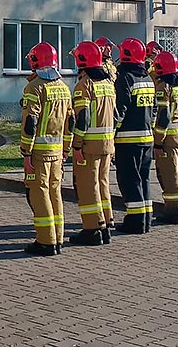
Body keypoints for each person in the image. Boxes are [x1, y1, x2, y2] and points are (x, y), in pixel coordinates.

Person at [20, 42, 73, 256]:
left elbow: (30, 123)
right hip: (58, 151)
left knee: (39, 192)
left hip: (39, 153)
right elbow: (71, 122)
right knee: (54, 192)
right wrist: (67, 149)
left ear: (35, 61)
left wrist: (26, 153)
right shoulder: (63, 87)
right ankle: (58, 238)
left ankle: (45, 241)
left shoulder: (34, 88)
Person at [69, 41, 116, 246]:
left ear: (81, 60)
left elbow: (83, 119)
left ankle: (92, 228)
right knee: (102, 183)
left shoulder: (84, 85)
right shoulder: (107, 83)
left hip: (89, 146)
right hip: (107, 143)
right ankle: (106, 222)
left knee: (88, 187)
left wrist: (77, 145)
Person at [114, 38, 155, 234]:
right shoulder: (147, 78)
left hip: (128, 140)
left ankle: (135, 221)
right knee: (144, 179)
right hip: (147, 138)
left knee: (130, 180)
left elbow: (120, 109)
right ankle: (146, 219)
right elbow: (153, 110)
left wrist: (113, 131)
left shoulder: (125, 77)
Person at [152, 51, 178, 224]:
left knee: (170, 175)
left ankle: (173, 212)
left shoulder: (163, 87)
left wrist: (158, 143)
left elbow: (163, 116)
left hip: (168, 140)